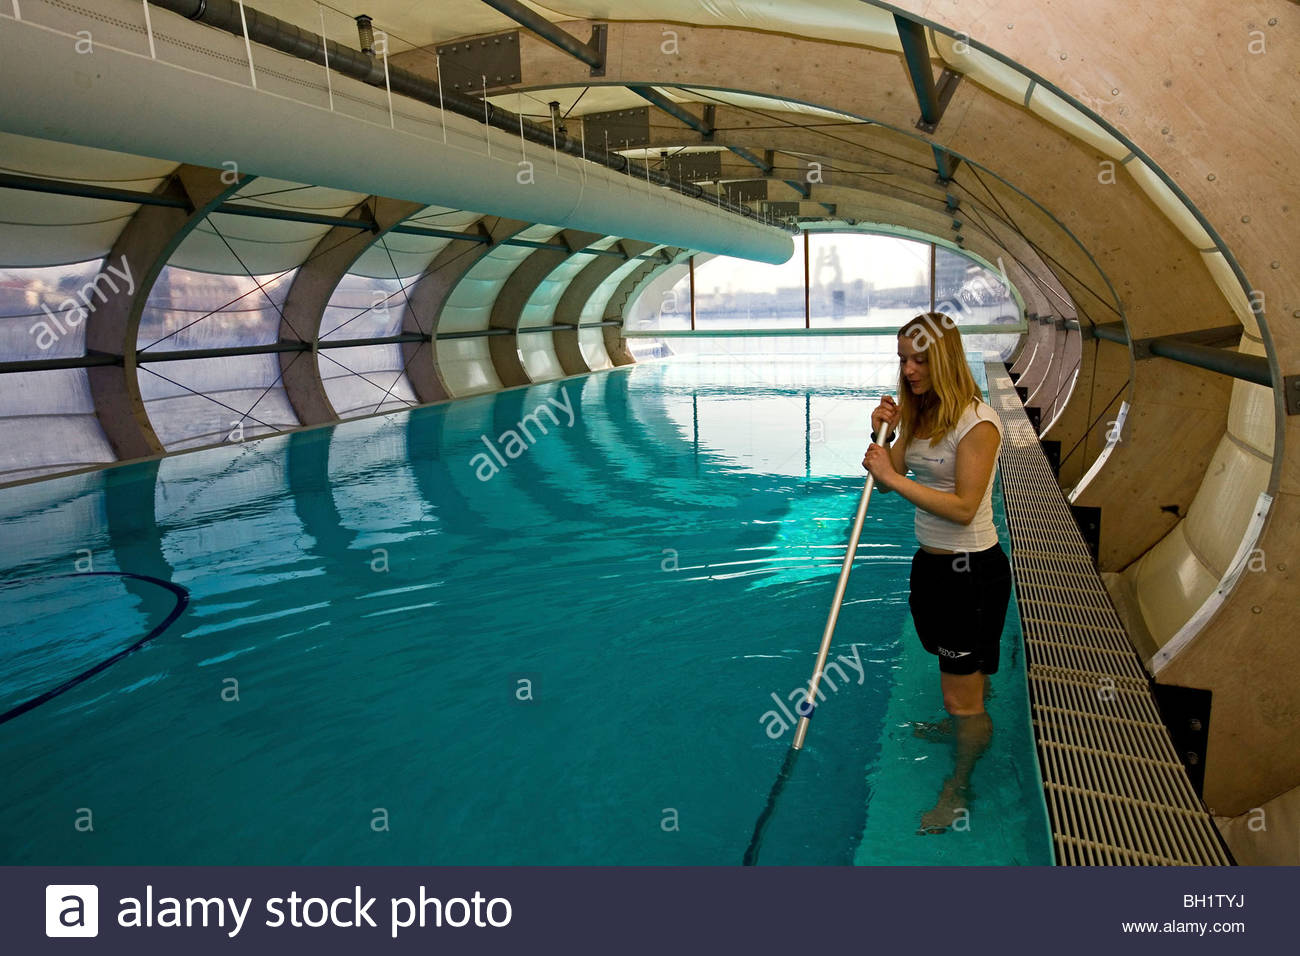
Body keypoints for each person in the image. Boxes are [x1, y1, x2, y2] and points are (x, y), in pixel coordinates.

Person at [860, 312, 1011, 834]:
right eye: (903, 358)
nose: (909, 368)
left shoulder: (979, 423)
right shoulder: (921, 414)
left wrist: (888, 475)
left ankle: (959, 786)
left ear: (944, 358)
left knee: (959, 698)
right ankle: (966, 715)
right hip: (932, 565)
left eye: (919, 358)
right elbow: (887, 479)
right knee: (963, 678)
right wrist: (890, 433)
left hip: (970, 573)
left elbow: (966, 507)